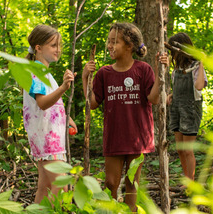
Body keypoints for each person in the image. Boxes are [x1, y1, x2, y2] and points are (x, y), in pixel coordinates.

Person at [82, 22, 161, 211]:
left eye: (114, 42)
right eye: (108, 41)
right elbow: (91, 103)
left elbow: (154, 99)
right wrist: (85, 77)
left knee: (131, 183)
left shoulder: (143, 70)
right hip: (114, 137)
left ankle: (130, 210)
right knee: (110, 183)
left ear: (129, 46)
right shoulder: (104, 73)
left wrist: (159, 72)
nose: (109, 45)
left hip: (137, 138)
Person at [22, 24, 77, 203]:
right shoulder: (34, 71)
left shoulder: (44, 72)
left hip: (49, 137)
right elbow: (42, 103)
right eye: (53, 45)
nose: (58, 50)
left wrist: (67, 118)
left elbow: (53, 105)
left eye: (59, 46)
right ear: (38, 48)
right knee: (62, 185)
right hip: (46, 138)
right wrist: (63, 88)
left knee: (45, 187)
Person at [159, 32, 207, 181]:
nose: (173, 55)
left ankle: (190, 182)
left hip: (190, 109)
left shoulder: (196, 67)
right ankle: (186, 179)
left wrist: (202, 63)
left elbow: (198, 87)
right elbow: (179, 87)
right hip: (177, 108)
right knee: (180, 149)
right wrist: (172, 95)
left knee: (187, 150)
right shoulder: (177, 69)